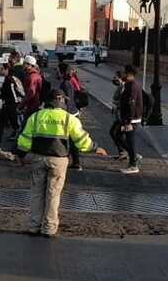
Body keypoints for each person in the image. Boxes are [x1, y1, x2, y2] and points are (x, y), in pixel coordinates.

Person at [16, 89, 107, 238]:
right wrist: (95, 148)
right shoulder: (68, 118)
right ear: (61, 101)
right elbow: (81, 140)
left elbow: (24, 139)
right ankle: (49, 228)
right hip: (58, 160)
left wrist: (20, 155)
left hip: (38, 158)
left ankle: (33, 226)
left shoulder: (36, 116)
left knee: (37, 193)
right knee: (53, 194)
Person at [118, 65, 145, 174]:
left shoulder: (132, 86)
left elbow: (131, 104)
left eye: (124, 72)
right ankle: (134, 157)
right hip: (130, 118)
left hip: (132, 119)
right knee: (120, 136)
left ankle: (133, 164)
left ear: (129, 74)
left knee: (130, 141)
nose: (122, 74)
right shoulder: (129, 84)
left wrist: (128, 121)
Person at [59, 65, 85, 171]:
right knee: (71, 139)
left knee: (69, 139)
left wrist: (64, 113)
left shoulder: (66, 83)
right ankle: (74, 162)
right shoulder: (68, 82)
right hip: (73, 112)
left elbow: (68, 99)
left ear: (62, 72)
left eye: (58, 70)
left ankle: (73, 162)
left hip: (70, 114)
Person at [0, 64, 25, 151]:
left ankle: (0, 144)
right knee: (8, 124)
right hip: (8, 105)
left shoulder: (10, 79)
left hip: (10, 105)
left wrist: (14, 105)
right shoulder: (9, 78)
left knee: (12, 125)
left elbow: (13, 93)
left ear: (6, 69)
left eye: (1, 69)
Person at [108, 72, 129, 160]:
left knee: (117, 134)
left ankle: (131, 152)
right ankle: (123, 152)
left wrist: (116, 104)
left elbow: (124, 101)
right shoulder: (120, 86)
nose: (114, 79)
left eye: (115, 77)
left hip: (122, 116)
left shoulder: (123, 87)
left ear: (120, 78)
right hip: (119, 116)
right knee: (114, 133)